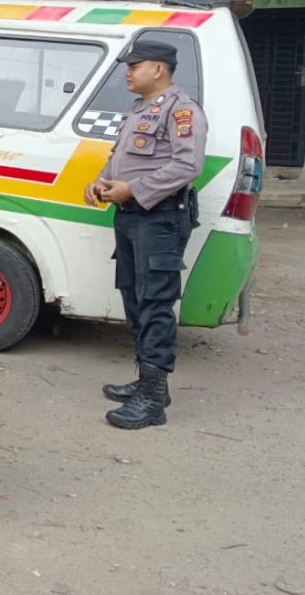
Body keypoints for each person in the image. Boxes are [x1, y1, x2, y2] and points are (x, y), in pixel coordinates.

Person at [84, 40, 208, 430]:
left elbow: (188, 165)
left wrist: (134, 190)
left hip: (160, 219)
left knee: (155, 303)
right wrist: (100, 182)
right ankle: (147, 383)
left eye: (134, 66)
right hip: (131, 217)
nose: (127, 72)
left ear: (159, 69)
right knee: (134, 297)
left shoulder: (181, 110)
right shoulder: (138, 108)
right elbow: (122, 157)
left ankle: (153, 400)